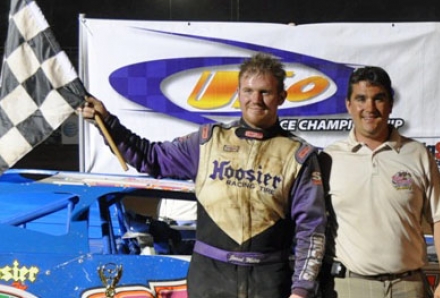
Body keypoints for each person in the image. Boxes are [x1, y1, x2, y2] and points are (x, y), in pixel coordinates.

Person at [80, 52, 327, 298]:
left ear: (281, 97)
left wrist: (301, 290)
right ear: (238, 94)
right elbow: (150, 157)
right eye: (248, 91)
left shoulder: (299, 155)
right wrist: (108, 122)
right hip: (209, 278)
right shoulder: (208, 141)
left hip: (268, 280)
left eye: (265, 92)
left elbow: (312, 229)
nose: (256, 99)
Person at [319, 66, 440, 298]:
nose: (370, 108)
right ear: (348, 105)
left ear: (391, 104)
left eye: (378, 99)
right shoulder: (328, 158)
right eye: (361, 99)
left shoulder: (418, 154)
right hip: (349, 287)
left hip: (409, 286)